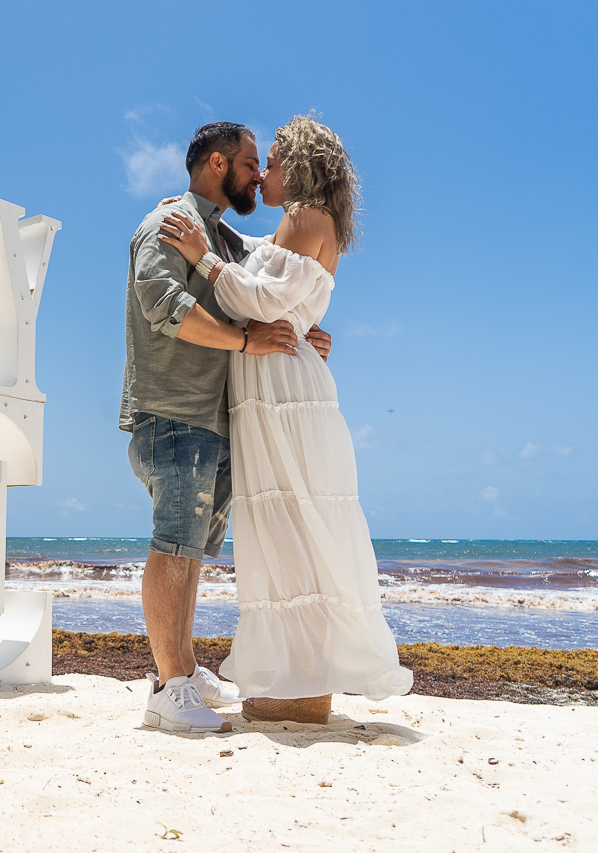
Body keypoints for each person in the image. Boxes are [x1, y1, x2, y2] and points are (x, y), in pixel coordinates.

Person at [157, 115, 413, 724]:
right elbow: (283, 295)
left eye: (269, 162)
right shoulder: (297, 223)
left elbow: (263, 299)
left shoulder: (303, 215)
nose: (262, 173)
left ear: (296, 167)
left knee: (289, 525)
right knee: (288, 525)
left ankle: (295, 682)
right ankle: (297, 678)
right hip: (273, 379)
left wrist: (201, 255)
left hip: (279, 386)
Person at [120, 122, 331, 734]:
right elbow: (164, 306)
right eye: (249, 162)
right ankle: (167, 686)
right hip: (173, 411)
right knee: (174, 546)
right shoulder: (168, 225)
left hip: (215, 416)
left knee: (192, 551)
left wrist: (301, 331)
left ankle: (181, 667)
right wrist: (245, 339)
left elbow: (263, 285)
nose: (259, 174)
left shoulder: (220, 238)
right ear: (217, 164)